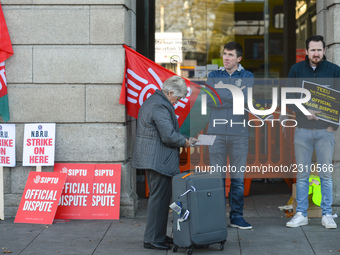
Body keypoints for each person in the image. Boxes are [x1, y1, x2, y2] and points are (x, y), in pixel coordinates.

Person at [132, 76, 197, 250]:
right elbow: (168, 135)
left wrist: (184, 139)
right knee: (158, 200)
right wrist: (185, 142)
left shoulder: (156, 101)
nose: (178, 101)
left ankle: (158, 236)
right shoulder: (160, 105)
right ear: (170, 93)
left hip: (156, 159)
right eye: (178, 97)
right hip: (157, 160)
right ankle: (152, 239)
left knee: (161, 200)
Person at [286, 35, 340, 229]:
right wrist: (304, 111)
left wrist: (332, 127)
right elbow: (289, 98)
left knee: (325, 174)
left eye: (319, 50)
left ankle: (327, 214)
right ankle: (301, 213)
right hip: (302, 130)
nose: (316, 53)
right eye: (313, 50)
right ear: (306, 51)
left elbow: (339, 102)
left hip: (325, 131)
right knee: (302, 175)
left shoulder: (335, 71)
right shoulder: (296, 70)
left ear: (324, 51)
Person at [205, 42, 254, 230]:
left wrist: (220, 94)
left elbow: (243, 100)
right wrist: (233, 94)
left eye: (231, 55)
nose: (226, 57)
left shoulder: (247, 76)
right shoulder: (214, 75)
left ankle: (236, 217)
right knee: (217, 178)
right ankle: (217, 217)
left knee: (238, 180)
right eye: (224, 54)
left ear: (239, 59)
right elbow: (209, 99)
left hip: (239, 133)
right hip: (216, 133)